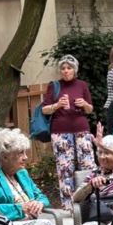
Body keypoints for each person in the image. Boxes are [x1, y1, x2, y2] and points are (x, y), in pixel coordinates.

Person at [42, 55, 97, 210]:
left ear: (75, 70)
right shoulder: (54, 86)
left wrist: (84, 104)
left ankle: (90, 202)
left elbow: (90, 109)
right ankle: (69, 207)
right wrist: (57, 105)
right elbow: (45, 109)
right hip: (60, 132)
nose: (66, 71)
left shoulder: (82, 85)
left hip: (81, 130)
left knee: (88, 166)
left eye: (69, 68)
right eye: (63, 68)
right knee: (65, 169)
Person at [0, 127, 52, 221]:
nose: (25, 157)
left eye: (25, 152)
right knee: (45, 224)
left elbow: (41, 197)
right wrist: (20, 208)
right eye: (20, 153)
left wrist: (40, 203)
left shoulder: (22, 173)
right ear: (5, 157)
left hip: (29, 223)